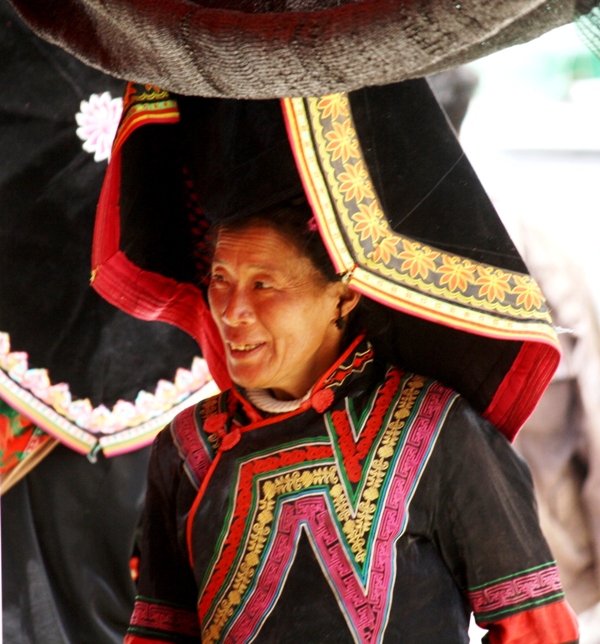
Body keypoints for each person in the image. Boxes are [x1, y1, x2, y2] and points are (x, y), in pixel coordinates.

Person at [85, 79, 577, 642]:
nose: (232, 311)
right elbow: (158, 633)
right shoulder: (188, 448)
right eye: (221, 280)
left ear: (343, 296)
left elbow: (538, 630)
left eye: (265, 284)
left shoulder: (440, 433)